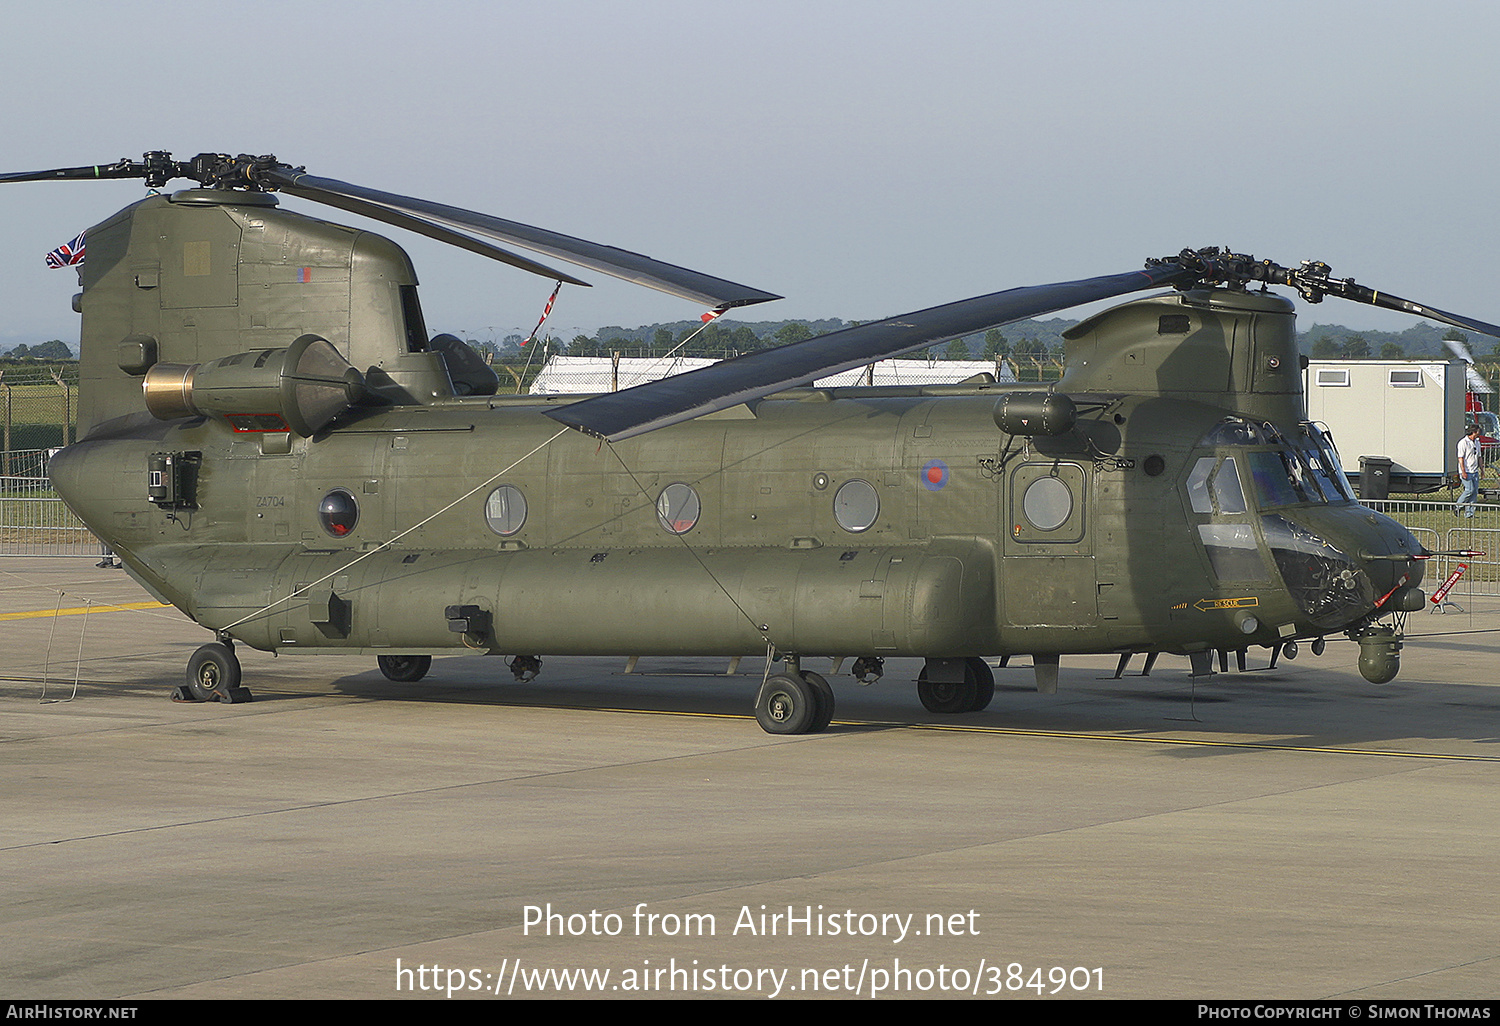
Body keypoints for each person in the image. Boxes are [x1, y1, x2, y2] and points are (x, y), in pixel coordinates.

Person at [1456, 422, 1482, 518]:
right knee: (1469, 490)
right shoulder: (1463, 442)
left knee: (1474, 492)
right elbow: (1461, 458)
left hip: (1474, 470)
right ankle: (1458, 506)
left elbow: (1479, 456)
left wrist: (1482, 470)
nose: (1479, 433)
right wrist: (1463, 471)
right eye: (1478, 431)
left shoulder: (1477, 442)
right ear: (1473, 432)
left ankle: (1469, 513)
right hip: (1466, 471)